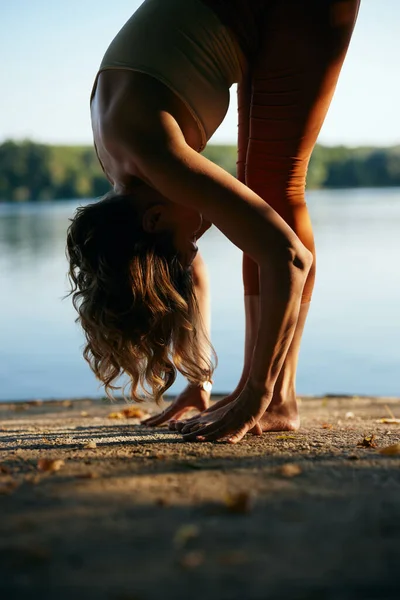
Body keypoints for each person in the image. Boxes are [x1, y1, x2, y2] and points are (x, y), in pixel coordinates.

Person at [66, 0, 360, 443]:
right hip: (257, 19)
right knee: (260, 200)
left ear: (155, 219)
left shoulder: (157, 156)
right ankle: (261, 389)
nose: (201, 237)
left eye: (189, 243)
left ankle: (277, 396)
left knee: (273, 193)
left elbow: (288, 258)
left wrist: (254, 397)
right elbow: (187, 272)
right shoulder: (127, 177)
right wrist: (199, 380)